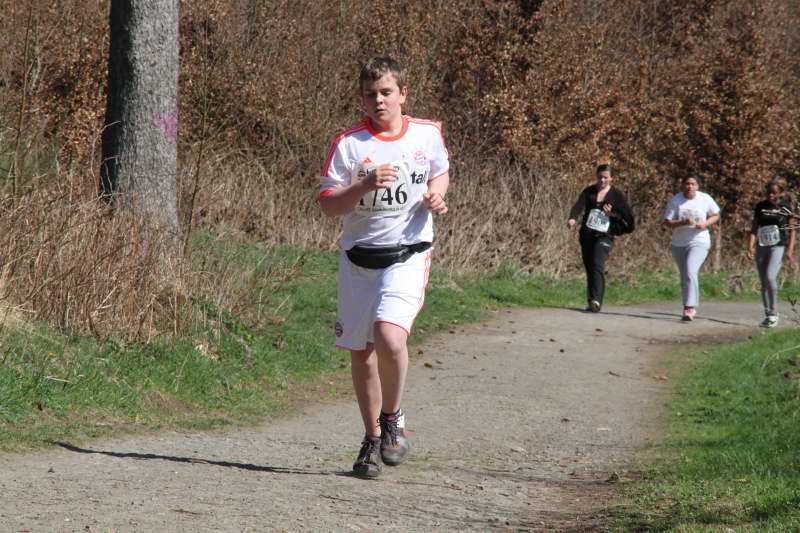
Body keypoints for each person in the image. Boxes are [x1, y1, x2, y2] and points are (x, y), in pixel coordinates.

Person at [318, 57, 450, 478]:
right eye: (370, 94)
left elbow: (440, 171)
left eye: (386, 92)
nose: (379, 100)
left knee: (389, 336)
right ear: (362, 98)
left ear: (403, 94)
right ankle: (372, 439)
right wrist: (363, 185)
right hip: (359, 260)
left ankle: (391, 418)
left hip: (408, 253)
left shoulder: (426, 134)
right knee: (362, 352)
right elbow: (328, 206)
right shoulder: (349, 144)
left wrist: (436, 195)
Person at [567, 164, 635, 312]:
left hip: (605, 235)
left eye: (605, 177)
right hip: (587, 234)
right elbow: (578, 205)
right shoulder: (589, 191)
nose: (602, 180)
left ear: (611, 178)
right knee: (589, 267)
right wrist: (573, 218)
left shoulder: (616, 195)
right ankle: (591, 300)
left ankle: (596, 300)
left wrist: (612, 215)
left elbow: (629, 220)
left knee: (597, 264)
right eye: (600, 177)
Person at [662, 175, 721, 321]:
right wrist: (682, 222)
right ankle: (687, 305)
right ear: (682, 185)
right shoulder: (676, 200)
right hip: (679, 243)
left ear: (697, 186)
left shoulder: (704, 198)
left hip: (699, 241)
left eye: (693, 184)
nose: (690, 186)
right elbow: (667, 222)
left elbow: (716, 215)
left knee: (690, 270)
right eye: (687, 184)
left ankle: (690, 307)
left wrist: (705, 224)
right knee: (685, 276)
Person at [747, 181, 795, 327]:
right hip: (762, 246)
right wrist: (750, 246)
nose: (771, 195)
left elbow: (792, 230)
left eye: (774, 193)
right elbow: (754, 227)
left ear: (780, 193)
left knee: (770, 277)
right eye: (768, 192)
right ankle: (768, 314)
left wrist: (790, 249)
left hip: (778, 246)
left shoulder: (785, 207)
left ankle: (774, 312)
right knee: (763, 281)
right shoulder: (761, 206)